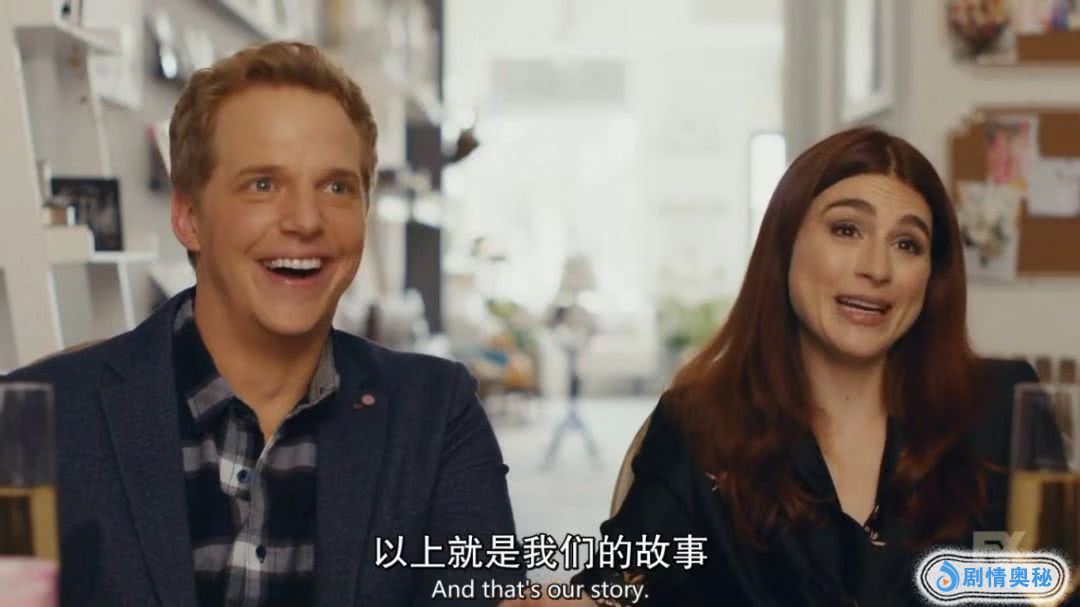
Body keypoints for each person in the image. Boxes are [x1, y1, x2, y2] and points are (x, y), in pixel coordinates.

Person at [9, 41, 522, 606]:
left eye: (336, 187)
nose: (305, 220)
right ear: (189, 217)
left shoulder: (437, 413)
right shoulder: (35, 418)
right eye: (262, 184)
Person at [551, 127, 1039, 605]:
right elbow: (619, 582)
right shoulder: (699, 425)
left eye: (907, 244)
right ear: (785, 245)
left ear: (932, 277)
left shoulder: (1003, 409)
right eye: (846, 230)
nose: (877, 268)